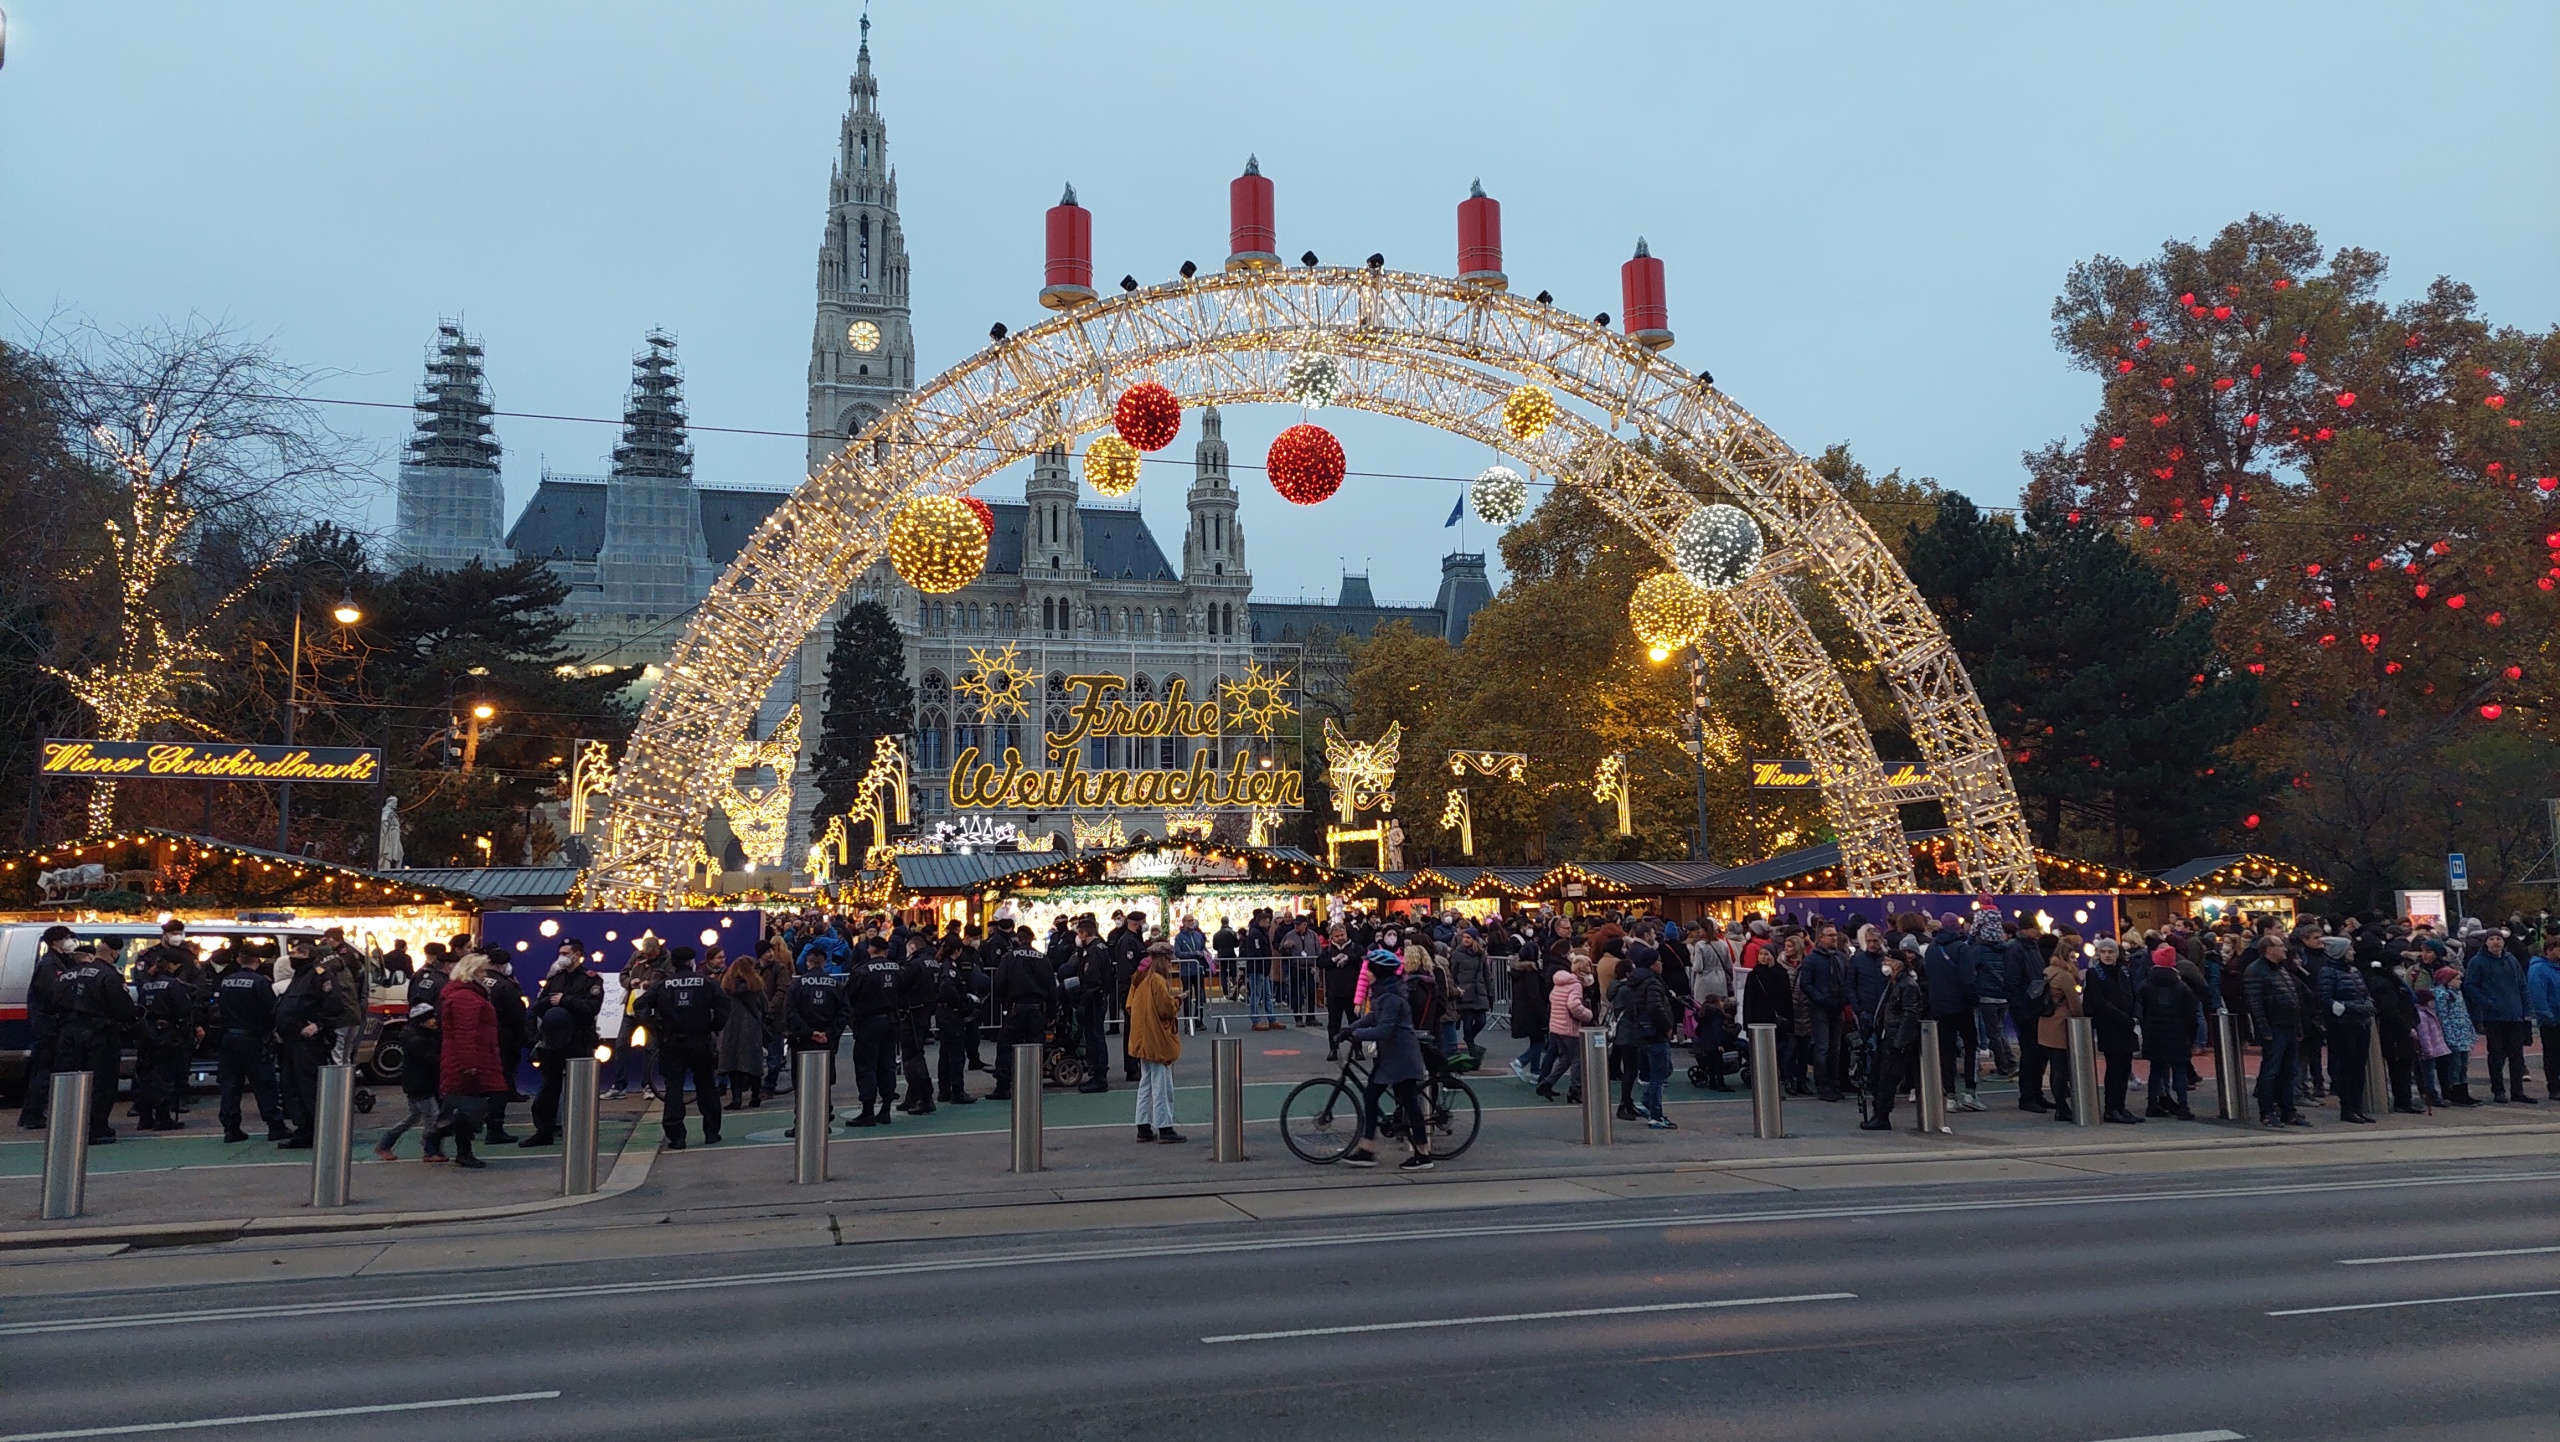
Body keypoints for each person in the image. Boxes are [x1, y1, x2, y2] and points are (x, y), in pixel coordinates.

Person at [1342, 949, 1434, 1172]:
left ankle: (1422, 1154)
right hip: (1392, 1057)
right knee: (1372, 1096)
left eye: (1369, 970)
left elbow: (1383, 1029)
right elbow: (1374, 1016)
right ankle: (1367, 1148)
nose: (1367, 974)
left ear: (1379, 972)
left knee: (1409, 1104)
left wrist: (1356, 1035)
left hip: (1401, 1058)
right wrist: (1350, 1028)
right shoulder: (1384, 993)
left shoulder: (1392, 997)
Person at [43, 931, 138, 1144]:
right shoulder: (109, 975)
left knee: (70, 1082)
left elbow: (52, 1003)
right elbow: (123, 1009)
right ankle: (95, 1129)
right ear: (114, 953)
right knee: (101, 1083)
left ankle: (68, 1128)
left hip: (68, 1035)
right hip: (99, 1036)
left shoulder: (68, 974)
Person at [633, 945, 731, 1148]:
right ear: (691, 962)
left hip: (672, 1042)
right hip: (700, 1040)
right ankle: (712, 1132)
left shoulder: (663, 984)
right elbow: (723, 1004)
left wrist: (655, 1028)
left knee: (674, 1088)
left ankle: (677, 1137)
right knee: (706, 1086)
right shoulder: (706, 983)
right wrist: (715, 1026)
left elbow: (640, 1005)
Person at [520, 940, 606, 1145]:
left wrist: (565, 1000)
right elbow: (538, 1006)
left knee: (579, 1089)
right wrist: (550, 1002)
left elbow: (591, 1008)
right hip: (552, 1042)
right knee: (549, 1088)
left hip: (578, 1040)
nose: (562, 957)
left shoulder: (590, 980)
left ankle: (580, 1132)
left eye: (566, 953)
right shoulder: (556, 979)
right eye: (560, 953)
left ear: (577, 955)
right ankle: (544, 1131)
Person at [272, 939, 352, 1149]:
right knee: (291, 1087)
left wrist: (319, 1025)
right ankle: (303, 1130)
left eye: (296, 955)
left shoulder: (319, 975)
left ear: (307, 956)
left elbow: (334, 1006)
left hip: (308, 1042)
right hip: (290, 1041)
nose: (292, 958)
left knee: (309, 1088)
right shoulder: (300, 976)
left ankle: (318, 1131)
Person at [429, 953, 505, 1169]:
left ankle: (456, 1146)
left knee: (466, 1107)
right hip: (472, 1059)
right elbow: (465, 1032)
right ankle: (440, 1135)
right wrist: (469, 1063)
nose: (485, 975)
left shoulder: (466, 994)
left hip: (471, 1057)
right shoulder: (466, 997)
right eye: (481, 971)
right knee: (469, 1108)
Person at [211, 942, 287, 1143]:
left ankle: (231, 1128)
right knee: (264, 1083)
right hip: (253, 1039)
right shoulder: (260, 982)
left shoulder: (226, 981)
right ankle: (275, 1126)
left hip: (230, 1039)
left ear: (238, 960)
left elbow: (219, 1010)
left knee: (230, 1085)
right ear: (257, 961)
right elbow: (271, 1011)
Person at [376, 949, 447, 1161]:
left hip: (418, 1084)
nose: (434, 1022)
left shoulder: (418, 1035)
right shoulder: (418, 1040)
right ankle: (430, 1149)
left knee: (413, 1116)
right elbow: (429, 1060)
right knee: (432, 1116)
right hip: (420, 1085)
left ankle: (386, 1143)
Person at [1920, 913, 1985, 1112]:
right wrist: (1974, 1000)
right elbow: (1968, 979)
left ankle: (1949, 1094)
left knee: (1946, 1051)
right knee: (1970, 1046)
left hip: (1940, 1006)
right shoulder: (1962, 948)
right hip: (1962, 1005)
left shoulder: (1931, 949)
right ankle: (1969, 1092)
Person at [2245, 934, 2311, 1127]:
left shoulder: (2280, 969)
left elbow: (2294, 998)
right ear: (2269, 950)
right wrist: (2264, 1030)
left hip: (2287, 1025)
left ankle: (2287, 1110)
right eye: (2280, 946)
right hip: (2275, 1027)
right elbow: (2255, 1004)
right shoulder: (2256, 971)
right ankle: (2267, 1111)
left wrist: (2297, 1026)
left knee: (2288, 1071)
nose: (2285, 949)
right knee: (2271, 1071)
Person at [131, 944, 199, 1130]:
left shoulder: (147, 984)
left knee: (146, 1076)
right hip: (168, 1035)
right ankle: (163, 1117)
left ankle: (145, 1117)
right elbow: (183, 1011)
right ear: (171, 965)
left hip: (148, 1033)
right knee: (166, 1076)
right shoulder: (173, 985)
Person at [2464, 932, 2536, 1103]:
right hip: (2494, 1017)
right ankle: (2498, 1090)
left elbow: (2522, 985)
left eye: (2499, 939)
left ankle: (2517, 1091)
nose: (2496, 942)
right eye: (2492, 939)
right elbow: (2470, 986)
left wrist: (2527, 1009)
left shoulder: (2511, 960)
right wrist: (2488, 1003)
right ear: (2486, 942)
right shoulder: (2478, 961)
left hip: (2514, 1014)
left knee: (2517, 1055)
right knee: (2496, 1054)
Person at [1861, 943, 1926, 1131]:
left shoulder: (1907, 985)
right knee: (1878, 1077)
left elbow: (1910, 1014)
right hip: (1886, 1036)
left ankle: (1882, 1115)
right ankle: (1879, 1113)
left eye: (1888, 960)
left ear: (1897, 963)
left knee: (1888, 1078)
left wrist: (1900, 1042)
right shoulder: (1894, 983)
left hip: (1894, 1039)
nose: (1885, 963)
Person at [2314, 936, 2378, 1123]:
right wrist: (2354, 1007)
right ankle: (2347, 1107)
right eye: (2349, 949)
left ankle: (2356, 1106)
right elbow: (2326, 1000)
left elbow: (2365, 994)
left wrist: (2364, 1006)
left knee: (2359, 1067)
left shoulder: (2354, 971)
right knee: (2346, 1067)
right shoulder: (2328, 972)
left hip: (2360, 1023)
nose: (2353, 952)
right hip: (2342, 1027)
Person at [2079, 939, 2144, 1125]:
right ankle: (2111, 1108)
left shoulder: (2124, 971)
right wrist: (2124, 1018)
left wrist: (2135, 1016)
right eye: (2104, 952)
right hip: (2110, 1027)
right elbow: (2099, 1002)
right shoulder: (2094, 974)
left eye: (2111, 952)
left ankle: (2121, 1106)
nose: (2107, 955)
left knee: (2125, 1068)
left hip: (2127, 1026)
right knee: (2114, 1068)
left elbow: (2133, 994)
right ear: (2098, 954)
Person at [988, 923, 1054, 1102]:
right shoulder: (1042, 958)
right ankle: (1033, 1084)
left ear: (1018, 939)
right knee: (1035, 1047)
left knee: (1006, 1046)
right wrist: (1052, 1012)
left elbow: (1000, 982)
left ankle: (1003, 1086)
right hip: (1037, 1008)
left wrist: (1003, 1003)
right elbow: (1051, 986)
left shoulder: (1010, 957)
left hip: (1016, 1007)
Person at [2138, 943, 2205, 1119]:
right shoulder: (2180, 986)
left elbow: (2139, 1009)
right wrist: (2191, 1036)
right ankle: (2183, 1106)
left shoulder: (2146, 984)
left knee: (2156, 1070)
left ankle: (2153, 1104)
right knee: (2179, 1070)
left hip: (2154, 1033)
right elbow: (2191, 1012)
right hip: (2177, 1032)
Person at [1127, 941, 1185, 1143]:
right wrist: (1177, 1000)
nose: (1170, 965)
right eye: (1169, 961)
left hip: (1141, 1037)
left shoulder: (1138, 979)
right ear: (1163, 960)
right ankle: (1165, 1126)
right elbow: (1166, 1010)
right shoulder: (1157, 981)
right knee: (1162, 1084)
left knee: (1146, 1083)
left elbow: (1129, 1006)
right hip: (1156, 1037)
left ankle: (1143, 1125)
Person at [844, 937, 906, 1123]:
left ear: (870, 949)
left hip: (869, 1022)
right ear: (886, 951)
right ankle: (886, 1108)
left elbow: (849, 998)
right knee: (887, 1064)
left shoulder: (862, 971)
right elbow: (904, 995)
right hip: (892, 1021)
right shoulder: (898, 970)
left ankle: (868, 1109)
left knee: (866, 1066)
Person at [1617, 948, 1678, 1129]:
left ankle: (1647, 1102)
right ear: (1652, 963)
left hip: (1642, 1032)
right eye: (1659, 961)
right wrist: (1666, 1026)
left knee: (1659, 1070)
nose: (1661, 964)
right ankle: (1656, 1113)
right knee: (1659, 1073)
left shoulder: (1636, 981)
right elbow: (1655, 1008)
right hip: (1654, 1033)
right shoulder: (1652, 983)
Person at [478, 953, 529, 1144]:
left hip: (484, 1040)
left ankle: (476, 1125)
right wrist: (525, 1037)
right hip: (504, 1040)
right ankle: (495, 1128)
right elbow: (517, 1015)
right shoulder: (504, 986)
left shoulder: (480, 981)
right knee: (499, 1086)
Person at [2036, 938, 2084, 1125]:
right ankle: (2062, 1107)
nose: (2075, 960)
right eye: (2073, 957)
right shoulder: (2064, 976)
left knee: (2055, 1067)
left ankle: (2061, 1105)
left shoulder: (2048, 971)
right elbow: (2075, 1004)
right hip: (2060, 1025)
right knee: (2061, 1069)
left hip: (2045, 1022)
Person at [715, 948, 770, 1111]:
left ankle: (736, 1098)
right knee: (753, 1063)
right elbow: (765, 1007)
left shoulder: (726, 986)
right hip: (751, 1028)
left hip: (730, 1029)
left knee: (733, 1066)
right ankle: (755, 1096)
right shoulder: (756, 986)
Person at [1535, 952, 1594, 1102]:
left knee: (1565, 1058)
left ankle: (1547, 1083)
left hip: (1556, 1026)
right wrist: (1587, 1014)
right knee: (1577, 1059)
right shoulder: (1575, 986)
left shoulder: (1561, 983)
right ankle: (1575, 1089)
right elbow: (1574, 1005)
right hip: (1569, 1028)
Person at [935, 940, 987, 1105]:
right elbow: (947, 988)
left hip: (945, 1013)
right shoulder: (949, 969)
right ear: (956, 951)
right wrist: (960, 1005)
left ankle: (944, 1090)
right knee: (956, 1054)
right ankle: (957, 1091)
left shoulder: (944, 965)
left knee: (945, 1053)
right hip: (952, 1014)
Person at [1067, 918, 1114, 1094]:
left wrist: (1083, 1003)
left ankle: (1099, 1077)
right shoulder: (1098, 948)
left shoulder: (1094, 952)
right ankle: (1097, 1074)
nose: (1078, 937)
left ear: (1085, 933)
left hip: (1093, 1000)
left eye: (1079, 933)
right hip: (1097, 998)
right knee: (1095, 1036)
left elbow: (1092, 979)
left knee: (1095, 1038)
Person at [2432, 966, 2481, 1106]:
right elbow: (2443, 1017)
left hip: (2463, 1034)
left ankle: (2464, 1092)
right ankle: (2455, 1092)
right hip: (2453, 1035)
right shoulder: (2442, 995)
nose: (2460, 982)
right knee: (2455, 1065)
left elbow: (2464, 1014)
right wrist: (2449, 1036)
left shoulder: (2457, 993)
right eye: (2457, 979)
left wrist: (2470, 1031)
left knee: (2463, 1064)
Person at [2528, 937, 2560, 1104]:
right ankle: (2554, 1087)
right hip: (2552, 1019)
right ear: (2549, 950)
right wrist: (2547, 1016)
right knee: (2553, 1054)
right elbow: (2538, 995)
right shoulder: (2539, 969)